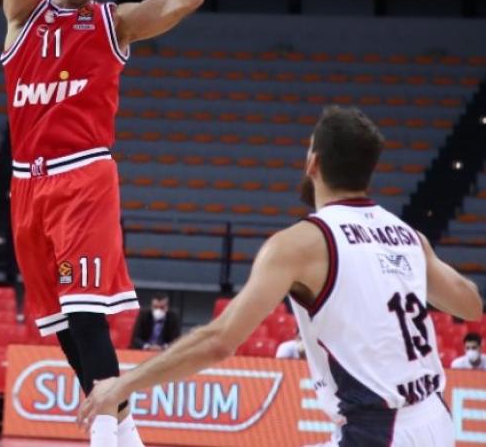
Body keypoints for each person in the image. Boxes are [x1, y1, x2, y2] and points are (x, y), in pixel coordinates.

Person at [80, 106, 484, 446]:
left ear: (313, 163)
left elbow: (219, 341)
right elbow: (469, 304)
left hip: (379, 431)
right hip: (435, 421)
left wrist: (123, 384)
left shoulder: (301, 244)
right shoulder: (408, 236)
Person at [1, 0, 203, 446]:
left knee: (86, 313)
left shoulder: (113, 22)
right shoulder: (21, 13)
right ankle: (122, 426)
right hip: (25, 186)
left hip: (83, 175)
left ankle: (111, 435)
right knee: (65, 325)